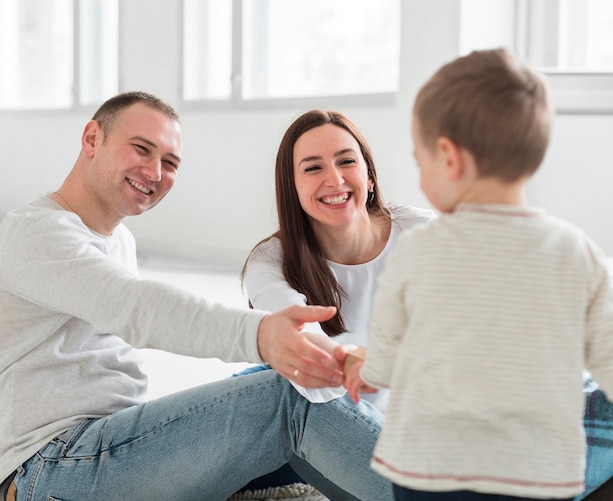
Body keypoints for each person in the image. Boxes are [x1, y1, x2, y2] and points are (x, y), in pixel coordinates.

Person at [0, 91, 394, 501]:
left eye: (169, 163)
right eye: (141, 148)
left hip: (113, 443)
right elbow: (139, 307)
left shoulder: (119, 239)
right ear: (92, 139)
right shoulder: (37, 233)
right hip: (52, 467)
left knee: (274, 381)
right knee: (290, 401)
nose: (154, 171)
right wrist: (262, 336)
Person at [344, 47, 613, 501]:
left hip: (428, 471)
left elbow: (390, 356)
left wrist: (365, 366)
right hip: (536, 473)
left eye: (421, 162)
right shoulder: (577, 252)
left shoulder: (419, 250)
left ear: (449, 158)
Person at [237, 109, 435, 495]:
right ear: (291, 187)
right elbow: (309, 367)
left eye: (347, 161)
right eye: (312, 168)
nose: (335, 179)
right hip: (307, 417)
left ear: (370, 176)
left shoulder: (423, 234)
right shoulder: (269, 262)